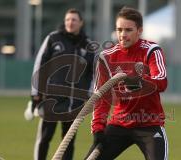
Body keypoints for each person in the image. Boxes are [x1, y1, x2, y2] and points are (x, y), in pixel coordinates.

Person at [85, 7, 168, 160]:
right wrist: (98, 128)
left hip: (149, 124)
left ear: (139, 30)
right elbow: (102, 97)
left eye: (128, 30)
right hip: (119, 124)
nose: (123, 35)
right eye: (119, 29)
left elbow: (162, 82)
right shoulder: (105, 57)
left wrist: (139, 81)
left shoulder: (152, 50)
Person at [28, 8, 94, 160]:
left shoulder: (88, 45)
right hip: (51, 100)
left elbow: (93, 73)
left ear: (81, 23)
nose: (70, 22)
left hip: (74, 103)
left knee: (68, 142)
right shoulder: (53, 38)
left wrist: (89, 96)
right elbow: (39, 65)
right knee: (44, 138)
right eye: (67, 20)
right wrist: (35, 93)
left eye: (74, 20)